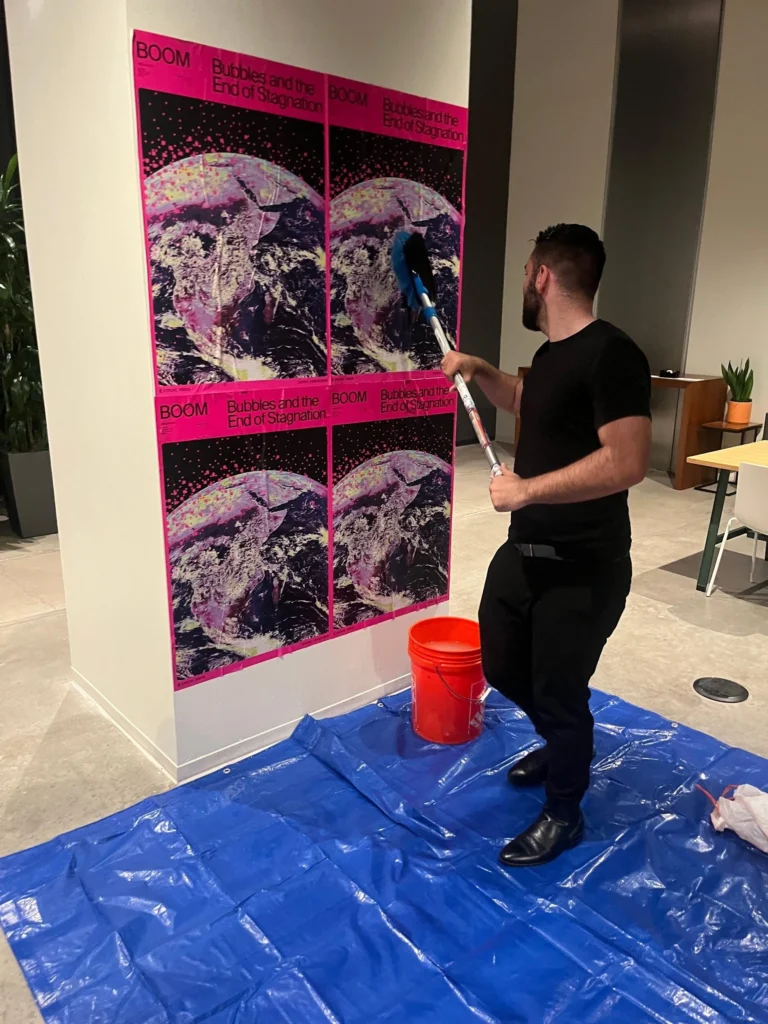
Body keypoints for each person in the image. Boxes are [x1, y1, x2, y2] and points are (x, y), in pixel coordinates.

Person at [442, 223, 651, 867]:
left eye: (526, 273)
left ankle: (565, 812)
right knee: (504, 667)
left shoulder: (613, 354)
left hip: (585, 567)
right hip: (525, 553)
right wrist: (482, 370)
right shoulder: (554, 355)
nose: (524, 285)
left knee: (561, 693)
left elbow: (627, 462)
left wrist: (527, 489)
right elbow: (528, 400)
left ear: (542, 275)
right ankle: (564, 744)